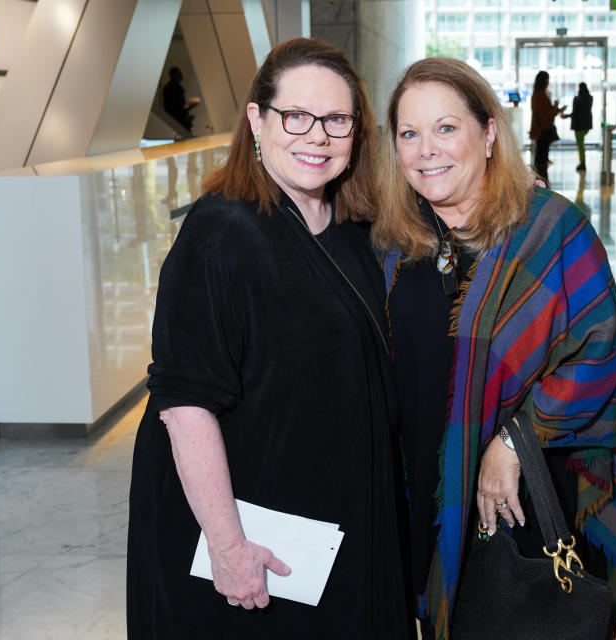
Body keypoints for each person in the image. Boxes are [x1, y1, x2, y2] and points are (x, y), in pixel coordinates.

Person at [127, 38, 409, 639]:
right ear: (257, 119)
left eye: (337, 120)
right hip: (259, 544)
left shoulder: (353, 229)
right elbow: (184, 406)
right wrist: (228, 546)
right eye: (296, 116)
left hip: (340, 524)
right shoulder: (219, 235)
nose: (318, 136)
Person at [373, 57, 616, 640]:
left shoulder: (550, 229)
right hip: (425, 486)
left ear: (489, 132)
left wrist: (514, 443)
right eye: (409, 134)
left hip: (519, 499)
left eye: (446, 128)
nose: (426, 150)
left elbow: (601, 353)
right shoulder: (395, 240)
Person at [528, 70, 565, 181]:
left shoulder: (538, 94)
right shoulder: (540, 95)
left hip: (540, 131)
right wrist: (555, 109)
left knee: (541, 159)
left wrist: (555, 109)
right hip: (542, 132)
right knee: (541, 160)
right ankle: (541, 183)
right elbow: (544, 115)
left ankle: (541, 182)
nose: (548, 82)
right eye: (547, 79)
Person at [561, 82, 593, 172]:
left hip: (578, 126)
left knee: (580, 145)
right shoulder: (590, 98)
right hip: (587, 125)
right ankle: (582, 162)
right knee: (581, 145)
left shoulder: (577, 99)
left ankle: (583, 163)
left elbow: (575, 113)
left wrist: (565, 116)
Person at [162, 66, 198, 133]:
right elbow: (173, 108)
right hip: (179, 123)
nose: (181, 75)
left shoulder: (175, 87)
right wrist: (183, 118)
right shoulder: (171, 89)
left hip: (179, 121)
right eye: (178, 73)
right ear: (173, 75)